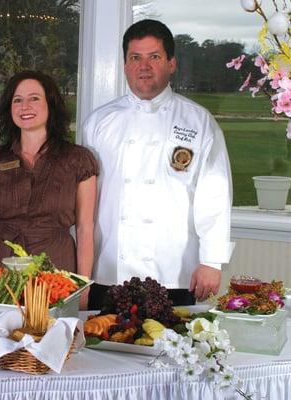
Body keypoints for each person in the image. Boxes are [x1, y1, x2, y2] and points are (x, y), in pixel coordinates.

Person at [82, 19, 235, 308]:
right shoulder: (98, 123)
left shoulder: (199, 121)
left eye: (154, 57)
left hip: (174, 272)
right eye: (135, 57)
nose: (144, 66)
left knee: (174, 350)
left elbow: (214, 194)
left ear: (172, 63)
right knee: (101, 350)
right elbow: (83, 200)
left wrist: (212, 260)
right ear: (125, 64)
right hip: (108, 268)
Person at [0, 70, 98, 308]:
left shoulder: (78, 160)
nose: (25, 106)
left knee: (50, 342)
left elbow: (86, 228)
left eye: (34, 98)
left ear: (51, 105)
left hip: (56, 271)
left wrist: (84, 289)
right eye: (18, 100)